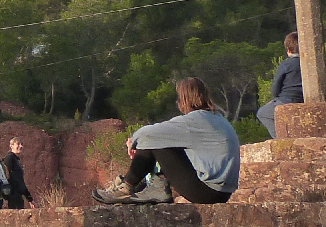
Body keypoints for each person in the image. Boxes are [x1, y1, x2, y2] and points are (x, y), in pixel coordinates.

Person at [93, 77, 241, 206]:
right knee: (162, 139)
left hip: (207, 192)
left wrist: (133, 141)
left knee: (155, 140)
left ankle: (126, 186)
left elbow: (148, 134)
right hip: (223, 193)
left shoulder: (194, 121)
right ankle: (154, 186)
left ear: (184, 99)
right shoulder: (217, 118)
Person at [257, 32, 304, 139]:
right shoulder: (307, 63)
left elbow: (276, 85)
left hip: (286, 99)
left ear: (288, 50)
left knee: (263, 113)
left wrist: (275, 98)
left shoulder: (286, 64)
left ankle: (280, 138)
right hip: (302, 99)